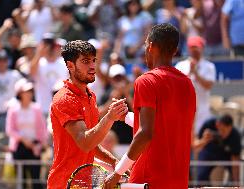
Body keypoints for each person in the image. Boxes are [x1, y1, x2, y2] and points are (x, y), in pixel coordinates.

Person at [103, 23, 196, 189]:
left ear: (151, 46)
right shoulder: (188, 84)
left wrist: (117, 173)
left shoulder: (146, 81)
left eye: (145, 44)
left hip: (148, 180)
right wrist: (126, 117)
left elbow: (146, 133)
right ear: (175, 51)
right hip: (178, 181)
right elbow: (163, 127)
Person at [47, 40, 128, 189]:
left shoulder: (91, 95)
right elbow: (85, 143)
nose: (92, 66)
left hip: (84, 184)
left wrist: (113, 161)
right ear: (70, 65)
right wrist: (109, 117)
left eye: (93, 60)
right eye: (85, 61)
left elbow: (92, 143)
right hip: (63, 184)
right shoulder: (65, 98)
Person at [6, 78, 48, 189]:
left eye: (30, 91)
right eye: (26, 91)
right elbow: (9, 129)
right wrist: (24, 140)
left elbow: (43, 128)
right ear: (20, 93)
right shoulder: (13, 110)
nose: (29, 93)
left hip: (35, 147)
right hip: (19, 147)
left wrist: (41, 144)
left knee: (36, 180)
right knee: (21, 180)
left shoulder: (37, 108)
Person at [175, 36, 216, 135]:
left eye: (196, 47)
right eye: (192, 47)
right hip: (184, 108)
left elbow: (208, 86)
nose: (194, 50)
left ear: (202, 48)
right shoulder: (180, 65)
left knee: (200, 137)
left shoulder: (209, 66)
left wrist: (196, 73)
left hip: (203, 109)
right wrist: (190, 72)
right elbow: (176, 86)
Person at [197, 114, 241, 186]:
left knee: (234, 176)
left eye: (228, 131)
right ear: (217, 125)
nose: (226, 134)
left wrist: (236, 184)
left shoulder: (235, 135)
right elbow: (197, 146)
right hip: (208, 152)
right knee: (201, 176)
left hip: (225, 155)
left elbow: (235, 159)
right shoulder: (208, 125)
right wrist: (205, 140)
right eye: (223, 130)